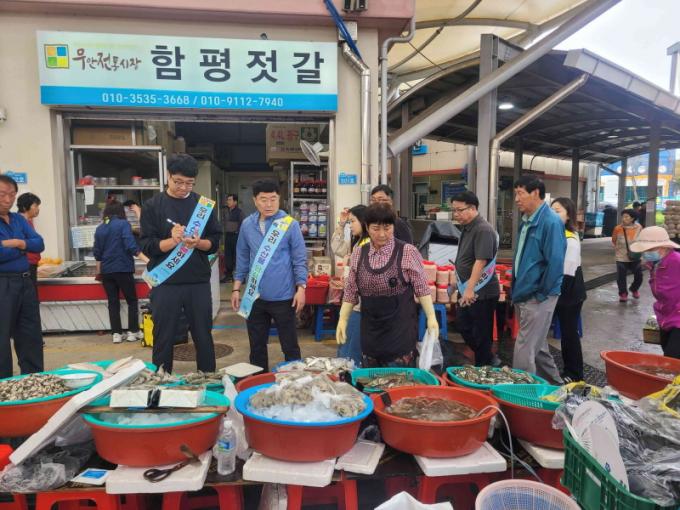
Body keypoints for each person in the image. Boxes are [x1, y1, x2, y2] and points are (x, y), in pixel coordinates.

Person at [140, 154, 221, 373]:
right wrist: (172, 241)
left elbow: (214, 242)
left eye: (189, 183)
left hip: (197, 282)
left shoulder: (203, 206)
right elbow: (146, 245)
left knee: (203, 335)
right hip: (165, 283)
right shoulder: (152, 206)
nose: (184, 188)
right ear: (168, 176)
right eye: (178, 182)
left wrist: (198, 243)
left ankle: (208, 378)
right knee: (163, 336)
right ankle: (161, 380)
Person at [337, 203, 439, 368]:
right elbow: (351, 291)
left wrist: (431, 317)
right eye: (376, 228)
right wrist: (343, 319)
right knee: (370, 378)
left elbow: (422, 288)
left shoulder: (407, 252)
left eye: (387, 228)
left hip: (400, 333)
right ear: (367, 227)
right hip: (370, 332)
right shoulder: (358, 253)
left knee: (399, 379)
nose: (382, 234)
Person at [231, 179, 307, 372]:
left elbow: (299, 259)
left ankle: (295, 382)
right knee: (256, 346)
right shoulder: (247, 225)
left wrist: (301, 288)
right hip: (255, 297)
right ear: (255, 200)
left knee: (290, 346)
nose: (269, 204)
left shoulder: (289, 224)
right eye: (263, 199)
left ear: (279, 199)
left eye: (273, 199)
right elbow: (242, 258)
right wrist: (236, 288)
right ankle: (259, 381)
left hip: (284, 297)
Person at [511, 175, 565, 384]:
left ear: (535, 193)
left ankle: (521, 393)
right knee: (537, 345)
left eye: (520, 193)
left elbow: (555, 263)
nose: (516, 199)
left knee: (524, 347)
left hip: (538, 295)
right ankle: (555, 385)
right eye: (516, 194)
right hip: (524, 292)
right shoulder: (527, 220)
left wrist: (540, 294)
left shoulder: (550, 222)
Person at [0, 175, 44, 379]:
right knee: (2, 337)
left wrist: (17, 243)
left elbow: (39, 243)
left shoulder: (18, 219)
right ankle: (4, 385)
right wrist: (25, 247)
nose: (7, 199)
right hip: (3, 283)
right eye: (2, 194)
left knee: (30, 334)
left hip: (25, 282)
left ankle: (33, 380)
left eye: (11, 194)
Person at [451, 191, 501, 367]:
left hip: (481, 292)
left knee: (481, 333)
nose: (456, 214)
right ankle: (488, 357)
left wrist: (470, 289)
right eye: (454, 210)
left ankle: (484, 366)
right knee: (463, 325)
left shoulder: (483, 229)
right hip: (467, 288)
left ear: (472, 208)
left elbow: (481, 261)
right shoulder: (467, 227)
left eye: (459, 210)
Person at [94, 201, 143, 344]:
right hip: (123, 268)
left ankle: (116, 333)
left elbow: (97, 252)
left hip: (107, 271)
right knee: (131, 300)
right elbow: (130, 245)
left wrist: (99, 271)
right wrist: (144, 257)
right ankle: (133, 332)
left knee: (113, 302)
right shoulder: (123, 224)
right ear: (121, 211)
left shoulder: (100, 228)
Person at [630, 226, 680, 359]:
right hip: (665, 316)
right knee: (668, 355)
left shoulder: (676, 261)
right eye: (644, 250)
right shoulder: (655, 265)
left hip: (678, 317)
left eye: (649, 250)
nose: (645, 254)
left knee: (672, 359)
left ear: (663, 247)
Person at [551, 197, 586, 382]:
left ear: (568, 216)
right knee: (566, 331)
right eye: (551, 210)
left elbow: (567, 272)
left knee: (569, 333)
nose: (553, 214)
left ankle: (574, 373)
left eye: (557, 211)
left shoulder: (570, 238)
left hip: (569, 290)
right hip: (561, 287)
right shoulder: (557, 233)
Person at [331, 204, 369, 366]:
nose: (350, 225)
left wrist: (347, 268)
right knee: (346, 347)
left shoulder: (367, 245)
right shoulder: (357, 242)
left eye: (353, 221)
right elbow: (337, 247)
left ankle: (349, 377)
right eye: (349, 222)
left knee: (350, 353)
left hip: (359, 307)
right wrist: (341, 224)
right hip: (352, 305)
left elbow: (357, 280)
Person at [611, 209, 643, 302]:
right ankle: (623, 293)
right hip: (621, 256)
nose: (623, 219)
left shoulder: (639, 227)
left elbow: (642, 240)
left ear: (632, 218)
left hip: (636, 256)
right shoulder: (618, 228)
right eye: (623, 217)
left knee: (639, 276)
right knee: (621, 276)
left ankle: (634, 289)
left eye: (626, 217)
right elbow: (614, 240)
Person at [17, 192, 42, 284]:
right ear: (25, 207)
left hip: (32, 264)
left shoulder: (28, 222)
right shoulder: (18, 223)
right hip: (26, 266)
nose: (38, 209)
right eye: (35, 206)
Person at [221, 193, 244, 283]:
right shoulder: (225, 211)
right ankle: (229, 276)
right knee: (228, 256)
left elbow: (243, 225)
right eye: (227, 200)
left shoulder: (239, 212)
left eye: (230, 200)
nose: (228, 201)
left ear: (235, 202)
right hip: (228, 236)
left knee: (237, 256)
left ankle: (240, 277)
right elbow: (223, 223)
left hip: (236, 236)